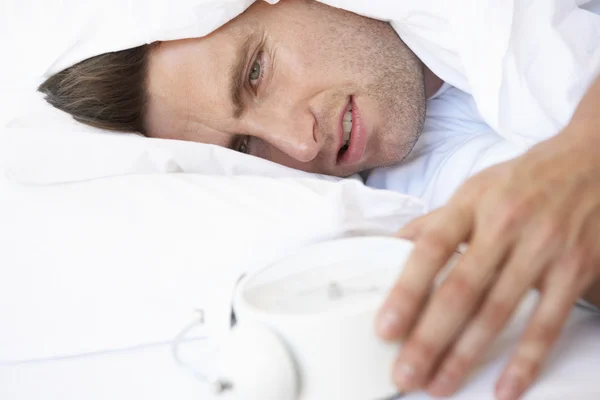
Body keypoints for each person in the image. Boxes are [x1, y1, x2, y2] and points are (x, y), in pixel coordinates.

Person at [38, 1, 600, 399]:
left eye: (256, 73)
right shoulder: (401, 206)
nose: (300, 143)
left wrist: (583, 152)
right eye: (247, 147)